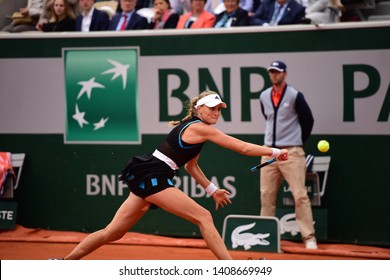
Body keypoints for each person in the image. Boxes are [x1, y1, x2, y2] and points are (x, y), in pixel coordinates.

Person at [57, 90, 288, 260]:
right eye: (212, 108)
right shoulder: (199, 128)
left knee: (113, 232)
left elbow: (190, 167)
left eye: (219, 109)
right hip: (154, 175)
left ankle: (63, 263)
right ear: (199, 109)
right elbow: (243, 148)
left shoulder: (195, 129)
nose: (217, 112)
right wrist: (276, 152)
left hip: (148, 173)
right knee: (204, 217)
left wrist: (212, 190)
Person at [258, 61, 317, 249]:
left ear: (285, 74)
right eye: (272, 72)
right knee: (266, 195)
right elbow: (267, 118)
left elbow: (308, 120)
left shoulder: (295, 95)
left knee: (300, 195)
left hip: (292, 152)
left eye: (278, 72)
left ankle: (309, 238)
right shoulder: (264, 96)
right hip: (269, 152)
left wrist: (296, 141)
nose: (274, 75)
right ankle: (266, 237)